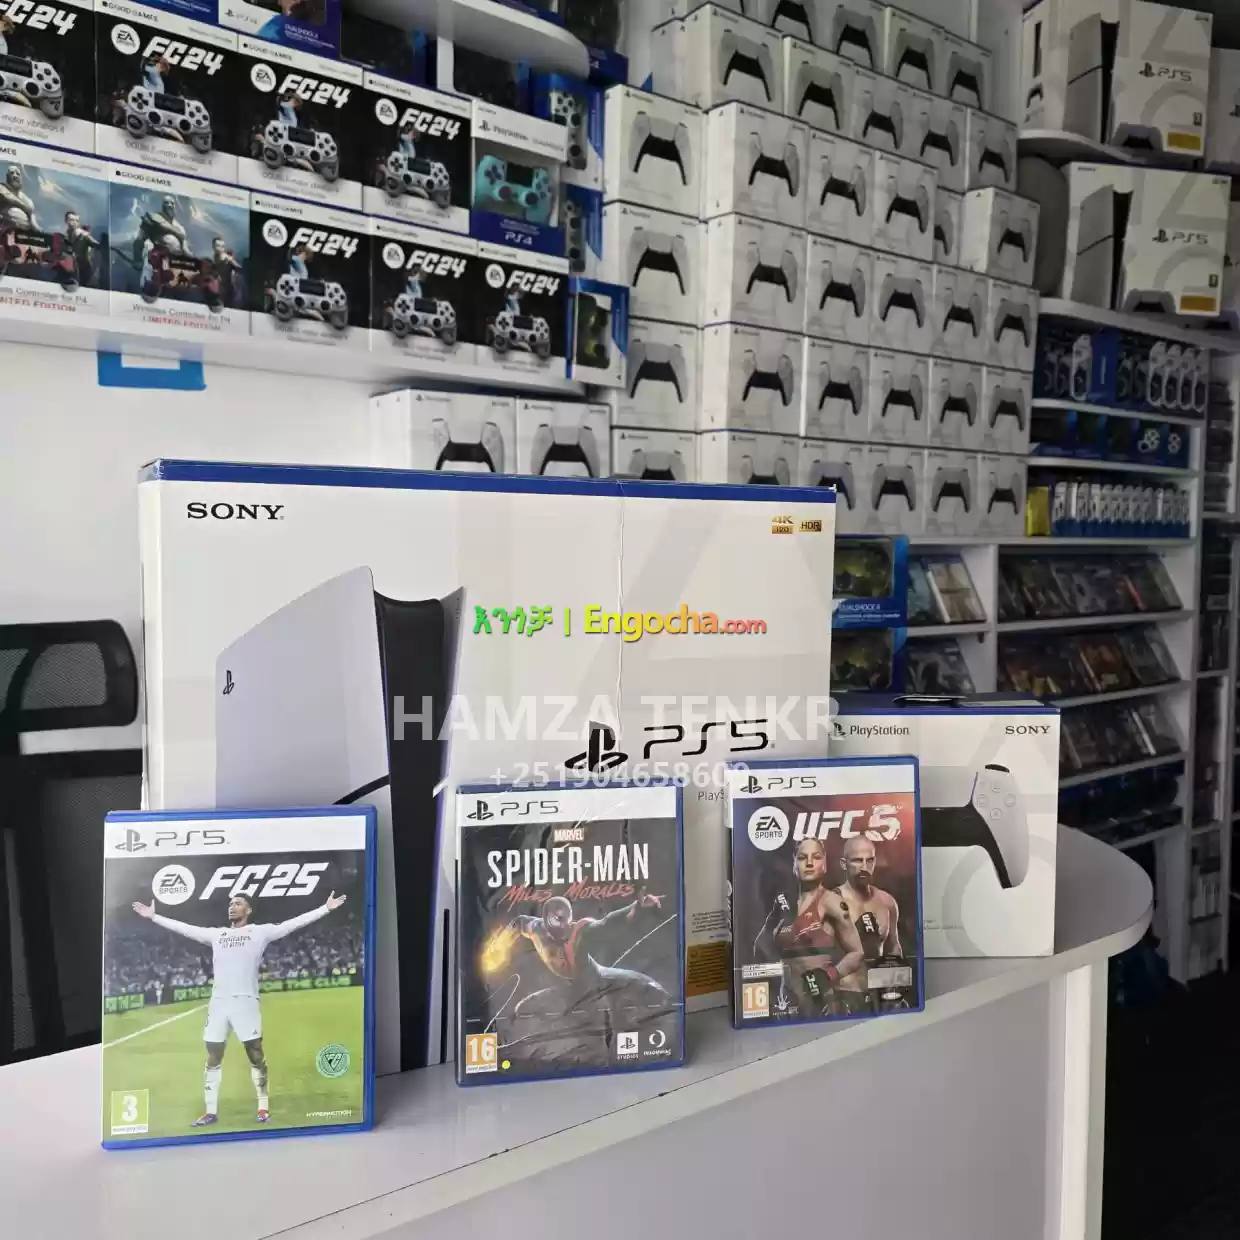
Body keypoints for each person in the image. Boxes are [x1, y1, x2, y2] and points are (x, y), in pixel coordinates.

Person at [132, 889, 347, 1126]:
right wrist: (154, 917)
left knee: (255, 1053)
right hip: (219, 1003)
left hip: (246, 1001)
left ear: (248, 909)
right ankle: (210, 1112)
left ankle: (263, 1107)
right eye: (231, 903)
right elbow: (186, 929)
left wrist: (325, 909)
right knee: (213, 1055)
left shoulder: (260, 932)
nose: (232, 907)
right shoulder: (217, 935)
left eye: (238, 903)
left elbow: (291, 925)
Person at [506, 890, 672, 1049]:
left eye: (564, 922)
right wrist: (502, 942)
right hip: (565, 985)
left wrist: (636, 906)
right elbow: (518, 923)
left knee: (647, 989)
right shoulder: (535, 928)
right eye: (556, 923)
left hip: (593, 980)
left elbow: (607, 923)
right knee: (523, 1010)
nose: (561, 929)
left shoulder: (579, 931)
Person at [756, 837, 867, 1017]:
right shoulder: (783, 902)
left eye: (816, 857)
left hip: (821, 1001)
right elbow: (761, 945)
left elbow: (857, 952)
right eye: (802, 858)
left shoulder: (831, 902)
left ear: (824, 863)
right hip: (787, 1000)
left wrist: (829, 975)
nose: (809, 863)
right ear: (794, 863)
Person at [836, 836, 902, 964]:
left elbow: (893, 946)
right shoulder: (831, 902)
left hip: (878, 975)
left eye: (870, 860)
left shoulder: (887, 902)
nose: (864, 867)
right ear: (844, 864)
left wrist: (897, 969)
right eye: (857, 860)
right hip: (846, 977)